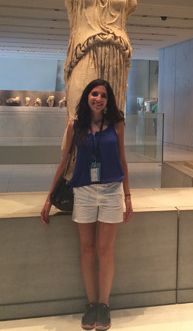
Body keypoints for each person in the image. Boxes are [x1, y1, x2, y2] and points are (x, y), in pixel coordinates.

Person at [41, 79, 133, 331]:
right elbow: (64, 163)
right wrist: (49, 198)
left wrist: (127, 196)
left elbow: (122, 159)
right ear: (87, 97)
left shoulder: (117, 124)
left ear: (108, 100)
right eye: (94, 94)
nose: (98, 99)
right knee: (87, 249)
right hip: (83, 191)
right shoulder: (75, 126)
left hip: (112, 191)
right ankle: (91, 304)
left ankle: (104, 305)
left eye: (103, 95)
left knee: (105, 251)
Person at [64, 0, 137, 121]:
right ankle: (77, 143)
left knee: (112, 114)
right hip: (84, 50)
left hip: (116, 51)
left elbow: (130, 8)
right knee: (77, 109)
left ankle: (109, 142)